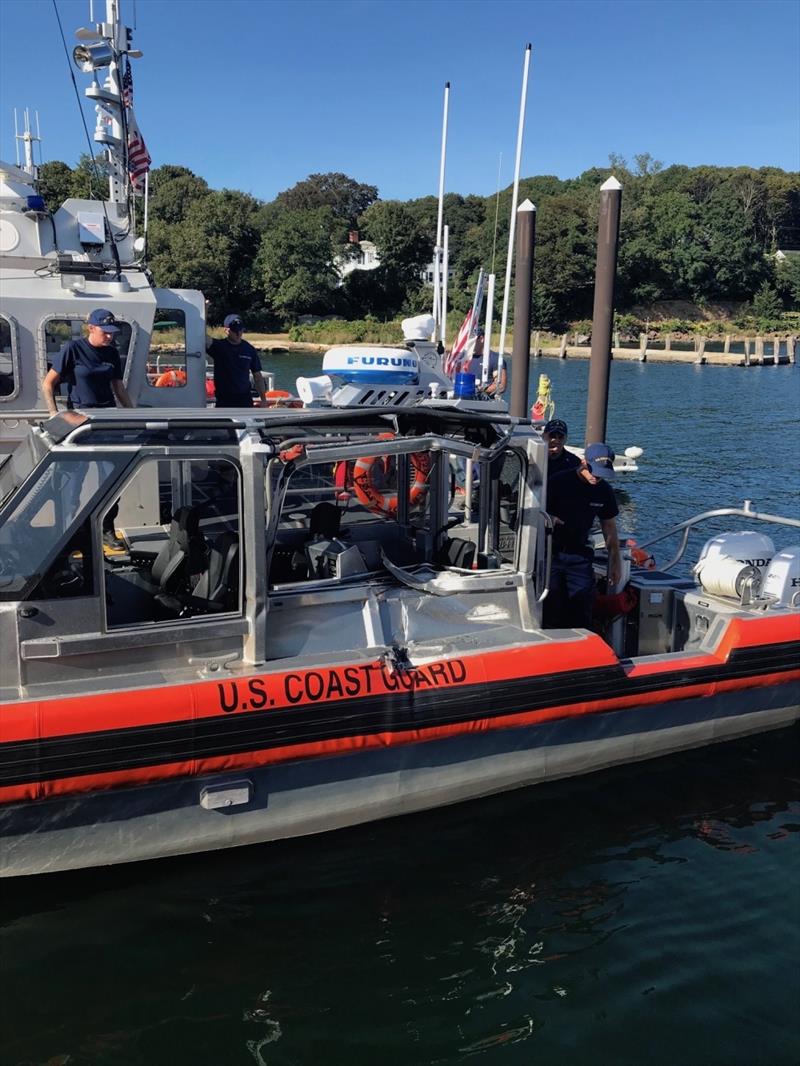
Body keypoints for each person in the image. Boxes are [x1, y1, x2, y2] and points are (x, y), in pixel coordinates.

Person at [543, 442, 622, 630]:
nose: (597, 478)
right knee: (552, 605)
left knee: (582, 607)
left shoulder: (604, 491)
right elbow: (534, 511)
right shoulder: (558, 482)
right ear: (584, 462)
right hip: (551, 553)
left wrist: (615, 561)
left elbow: (609, 527)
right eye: (594, 472)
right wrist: (549, 518)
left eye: (602, 474)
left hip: (580, 555)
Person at [41, 308, 134, 415]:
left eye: (112, 333)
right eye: (105, 332)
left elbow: (118, 386)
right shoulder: (73, 348)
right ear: (91, 328)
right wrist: (53, 412)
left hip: (108, 411)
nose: (109, 336)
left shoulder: (113, 353)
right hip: (80, 412)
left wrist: (131, 412)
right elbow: (48, 383)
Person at [207, 314, 268, 408]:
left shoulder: (249, 349)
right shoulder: (219, 347)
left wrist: (263, 400)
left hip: (245, 400)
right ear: (226, 330)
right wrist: (205, 310)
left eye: (240, 330)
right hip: (224, 400)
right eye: (235, 330)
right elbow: (201, 335)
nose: (238, 333)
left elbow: (257, 376)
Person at [466, 330, 507, 396]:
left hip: (486, 402)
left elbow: (501, 385)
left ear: (481, 339)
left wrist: (480, 389)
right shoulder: (465, 359)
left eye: (472, 340)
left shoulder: (495, 359)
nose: (468, 343)